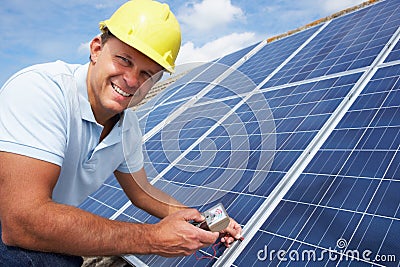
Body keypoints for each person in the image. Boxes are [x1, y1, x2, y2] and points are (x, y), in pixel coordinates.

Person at [0, 0, 242, 266]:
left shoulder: (127, 128)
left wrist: (205, 220)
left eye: (147, 74)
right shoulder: (41, 91)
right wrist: (153, 238)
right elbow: (22, 222)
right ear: (96, 49)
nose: (131, 80)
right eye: (124, 60)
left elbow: (142, 192)